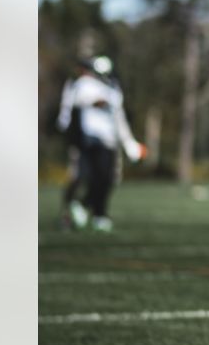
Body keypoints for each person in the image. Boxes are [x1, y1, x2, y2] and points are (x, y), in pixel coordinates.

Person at [56, 55, 143, 232]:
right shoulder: (85, 84)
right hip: (88, 139)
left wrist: (129, 143)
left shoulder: (113, 89)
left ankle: (96, 212)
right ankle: (71, 213)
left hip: (108, 140)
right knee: (82, 176)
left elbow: (120, 118)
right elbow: (84, 100)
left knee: (107, 179)